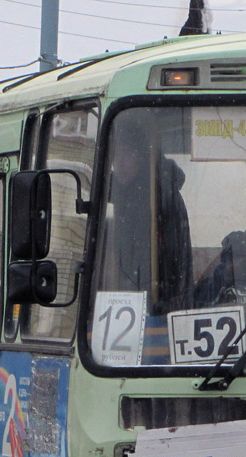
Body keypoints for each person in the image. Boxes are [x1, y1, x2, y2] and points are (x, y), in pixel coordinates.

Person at [102, 113, 193, 315]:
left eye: (127, 154)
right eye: (115, 155)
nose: (120, 162)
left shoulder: (152, 198)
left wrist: (149, 307)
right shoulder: (125, 196)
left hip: (153, 306)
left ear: (143, 157)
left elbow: (145, 264)